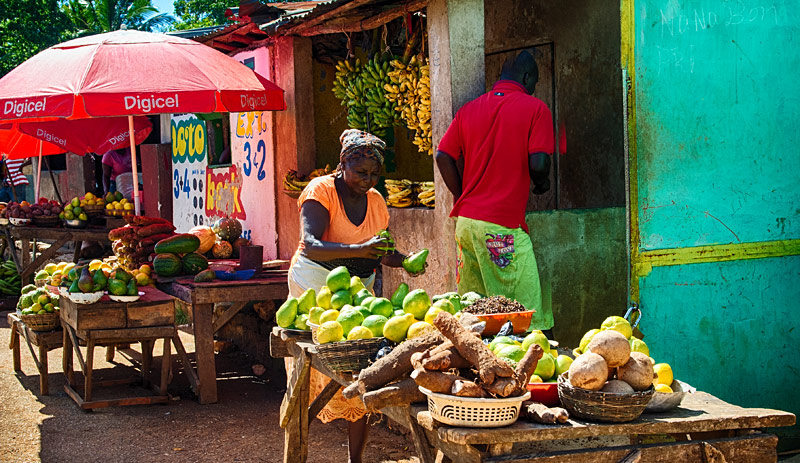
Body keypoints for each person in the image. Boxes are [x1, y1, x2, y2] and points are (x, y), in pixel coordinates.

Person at [286, 129, 423, 463]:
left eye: (375, 174)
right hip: (316, 285)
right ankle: (298, 445)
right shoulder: (320, 191)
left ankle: (356, 459)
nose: (369, 180)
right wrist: (359, 248)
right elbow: (312, 245)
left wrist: (404, 261)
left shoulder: (376, 201)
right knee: (319, 372)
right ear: (343, 163)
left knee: (360, 370)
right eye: (361, 172)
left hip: (358, 290)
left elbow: (381, 252)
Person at [435, 50, 555, 338]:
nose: (534, 88)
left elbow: (442, 155)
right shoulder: (536, 108)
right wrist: (542, 182)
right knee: (523, 319)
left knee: (477, 316)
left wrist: (465, 194)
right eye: (534, 81)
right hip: (501, 231)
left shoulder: (469, 109)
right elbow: (538, 162)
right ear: (527, 78)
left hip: (466, 224)